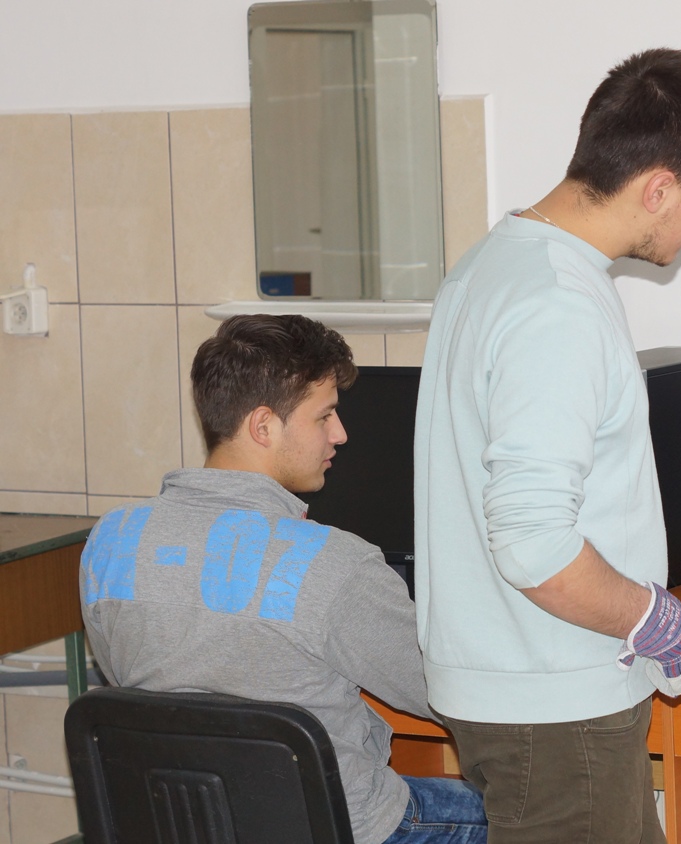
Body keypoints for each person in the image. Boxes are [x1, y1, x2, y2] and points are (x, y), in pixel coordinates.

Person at [414, 47, 681, 843]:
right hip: (555, 703)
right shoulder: (558, 305)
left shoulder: (496, 265)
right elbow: (533, 542)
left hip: (521, 691)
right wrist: (658, 620)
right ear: (658, 188)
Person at [79, 314, 486, 844]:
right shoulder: (336, 564)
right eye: (325, 415)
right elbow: (450, 691)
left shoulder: (109, 541)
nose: (340, 434)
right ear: (264, 426)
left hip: (187, 822)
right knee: (551, 819)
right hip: (339, 827)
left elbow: (136, 692)